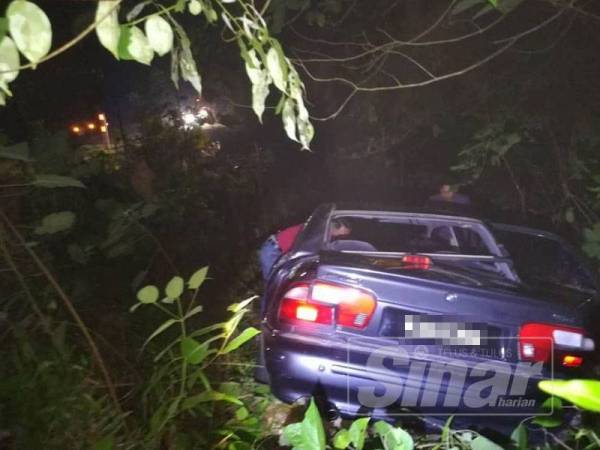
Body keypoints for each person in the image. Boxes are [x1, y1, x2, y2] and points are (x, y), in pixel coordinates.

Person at [258, 218, 351, 281]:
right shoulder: (315, 230)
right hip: (273, 250)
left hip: (282, 254)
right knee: (272, 285)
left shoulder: (323, 234)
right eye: (342, 233)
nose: (341, 236)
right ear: (336, 226)